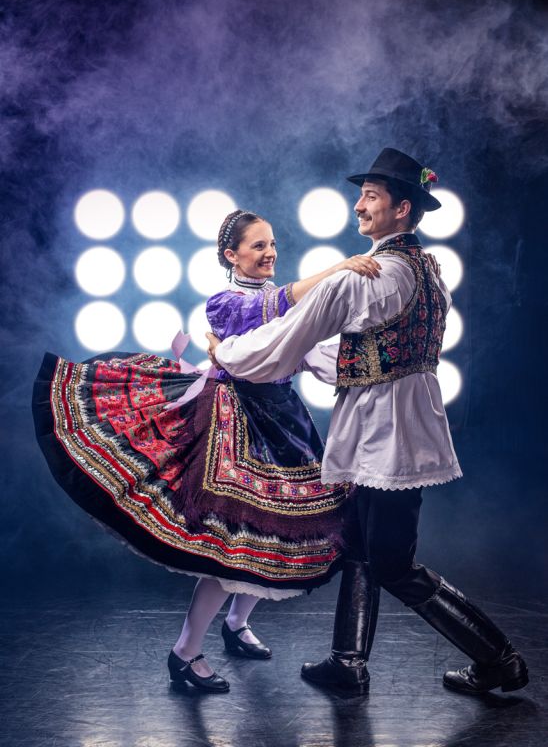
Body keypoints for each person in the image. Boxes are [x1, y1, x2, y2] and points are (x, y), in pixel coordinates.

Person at [207, 149, 529, 696]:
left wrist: (226, 352)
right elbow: (362, 354)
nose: (359, 205)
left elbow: (285, 341)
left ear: (401, 208)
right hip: (397, 428)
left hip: (386, 436)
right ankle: (348, 663)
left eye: (371, 197)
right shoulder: (428, 271)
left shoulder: (367, 277)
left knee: (393, 564)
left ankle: (500, 660)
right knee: (357, 544)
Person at [32, 208, 381, 694]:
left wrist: (375, 373)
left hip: (284, 420)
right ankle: (185, 652)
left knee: (274, 535)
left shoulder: (288, 306)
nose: (270, 253)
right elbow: (273, 308)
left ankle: (236, 624)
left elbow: (311, 352)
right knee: (229, 543)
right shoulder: (225, 304)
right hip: (232, 418)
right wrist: (340, 268)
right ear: (231, 255)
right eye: (258, 245)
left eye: (272, 244)